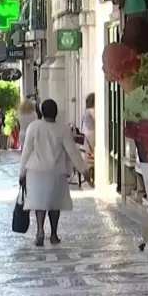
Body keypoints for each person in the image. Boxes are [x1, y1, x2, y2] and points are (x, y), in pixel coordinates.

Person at [19, 99, 89, 247]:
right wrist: (84, 170)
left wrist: (22, 172)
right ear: (56, 112)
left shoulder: (34, 127)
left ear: (41, 112)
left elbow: (26, 151)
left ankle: (40, 231)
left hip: (35, 171)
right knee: (54, 202)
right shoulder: (63, 129)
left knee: (39, 202)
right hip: (56, 171)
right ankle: (54, 234)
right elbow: (72, 151)